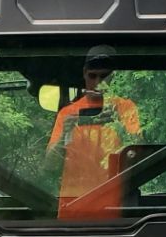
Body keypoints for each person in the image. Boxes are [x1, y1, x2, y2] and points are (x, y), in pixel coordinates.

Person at [47, 45, 141, 221]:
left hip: (115, 203)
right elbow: (50, 166)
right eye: (93, 76)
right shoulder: (68, 114)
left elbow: (137, 157)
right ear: (84, 73)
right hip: (73, 203)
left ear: (113, 76)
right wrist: (64, 135)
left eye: (104, 76)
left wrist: (118, 122)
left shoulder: (125, 109)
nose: (98, 83)